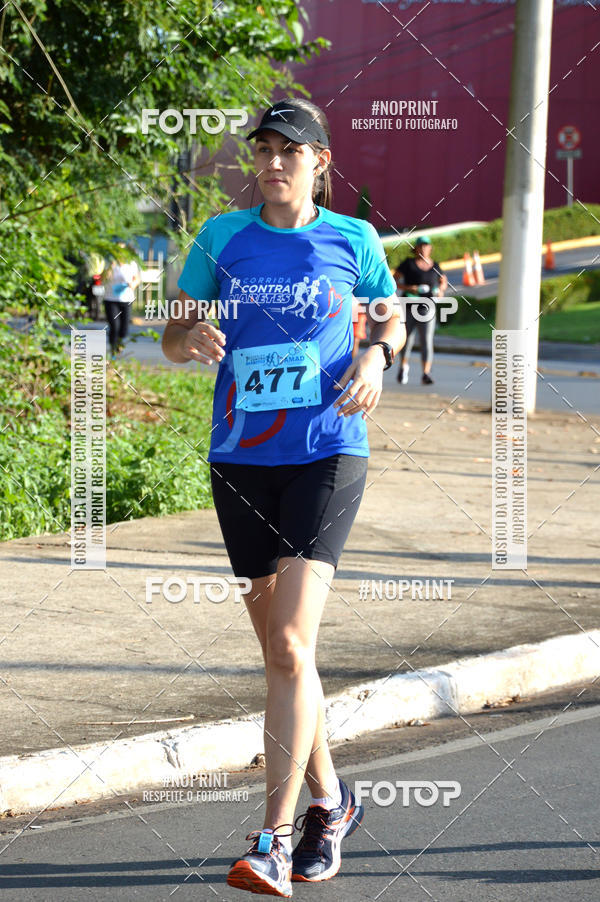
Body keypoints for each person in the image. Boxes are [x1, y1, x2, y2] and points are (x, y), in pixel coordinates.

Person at [162, 98, 404, 898]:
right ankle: (333, 802)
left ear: (320, 161)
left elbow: (388, 316)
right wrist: (188, 338)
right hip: (240, 458)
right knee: (282, 655)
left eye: (288, 151)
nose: (272, 163)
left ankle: (271, 838)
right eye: (262, 150)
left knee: (293, 645)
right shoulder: (221, 238)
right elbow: (173, 329)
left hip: (329, 453)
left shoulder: (353, 239)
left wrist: (373, 359)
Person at [393, 236, 447, 385]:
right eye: (421, 246)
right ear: (415, 248)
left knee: (426, 340)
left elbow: (443, 281)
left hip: (427, 308)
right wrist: (408, 288)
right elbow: (393, 281)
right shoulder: (408, 264)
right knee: (407, 339)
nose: (423, 248)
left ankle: (426, 373)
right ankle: (403, 366)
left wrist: (441, 290)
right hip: (409, 306)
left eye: (426, 246)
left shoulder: (435, 265)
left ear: (430, 248)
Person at [102, 242, 141, 355]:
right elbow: (104, 277)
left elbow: (137, 278)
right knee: (114, 325)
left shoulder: (131, 264)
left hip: (126, 299)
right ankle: (113, 350)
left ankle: (119, 343)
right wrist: (111, 266)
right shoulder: (110, 264)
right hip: (110, 299)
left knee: (124, 329)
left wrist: (132, 284)